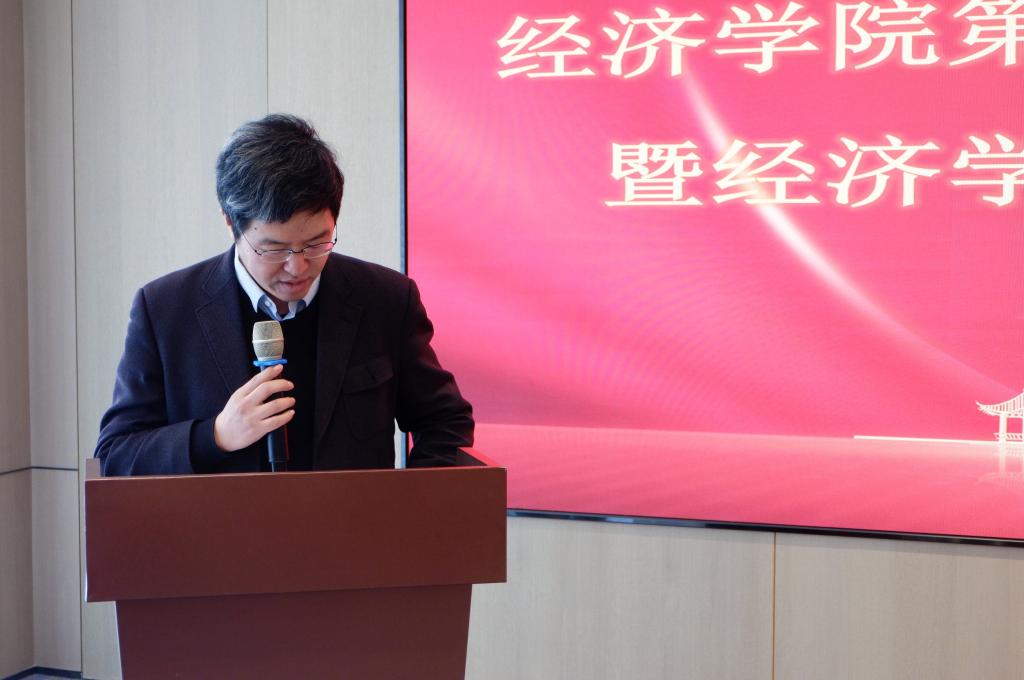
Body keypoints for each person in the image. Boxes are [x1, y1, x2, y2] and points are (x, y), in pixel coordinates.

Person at [95, 114, 473, 475]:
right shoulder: (165, 310)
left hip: (352, 522)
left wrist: (413, 505)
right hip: (221, 523)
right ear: (230, 224)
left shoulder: (386, 299)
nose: (298, 266)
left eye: (317, 243)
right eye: (274, 249)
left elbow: (445, 422)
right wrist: (215, 436)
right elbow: (117, 454)